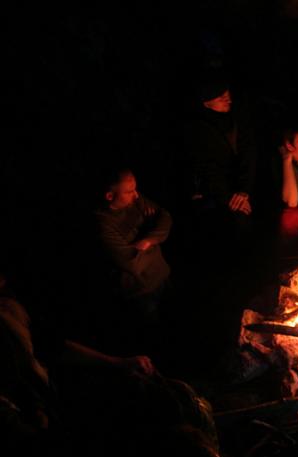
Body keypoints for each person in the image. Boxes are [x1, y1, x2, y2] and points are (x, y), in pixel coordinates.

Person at [181, 75, 256, 253]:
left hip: (241, 187)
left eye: (228, 95)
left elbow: (249, 155)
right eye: (221, 97)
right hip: (216, 193)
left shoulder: (238, 119)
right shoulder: (196, 130)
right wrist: (230, 197)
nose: (228, 100)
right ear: (206, 102)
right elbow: (206, 169)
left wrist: (243, 190)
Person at [94, 167, 172, 322]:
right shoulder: (103, 224)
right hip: (141, 291)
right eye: (129, 192)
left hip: (162, 274)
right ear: (110, 196)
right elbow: (133, 262)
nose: (136, 195)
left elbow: (165, 217)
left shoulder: (134, 201)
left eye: (135, 190)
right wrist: (155, 238)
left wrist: (148, 240)